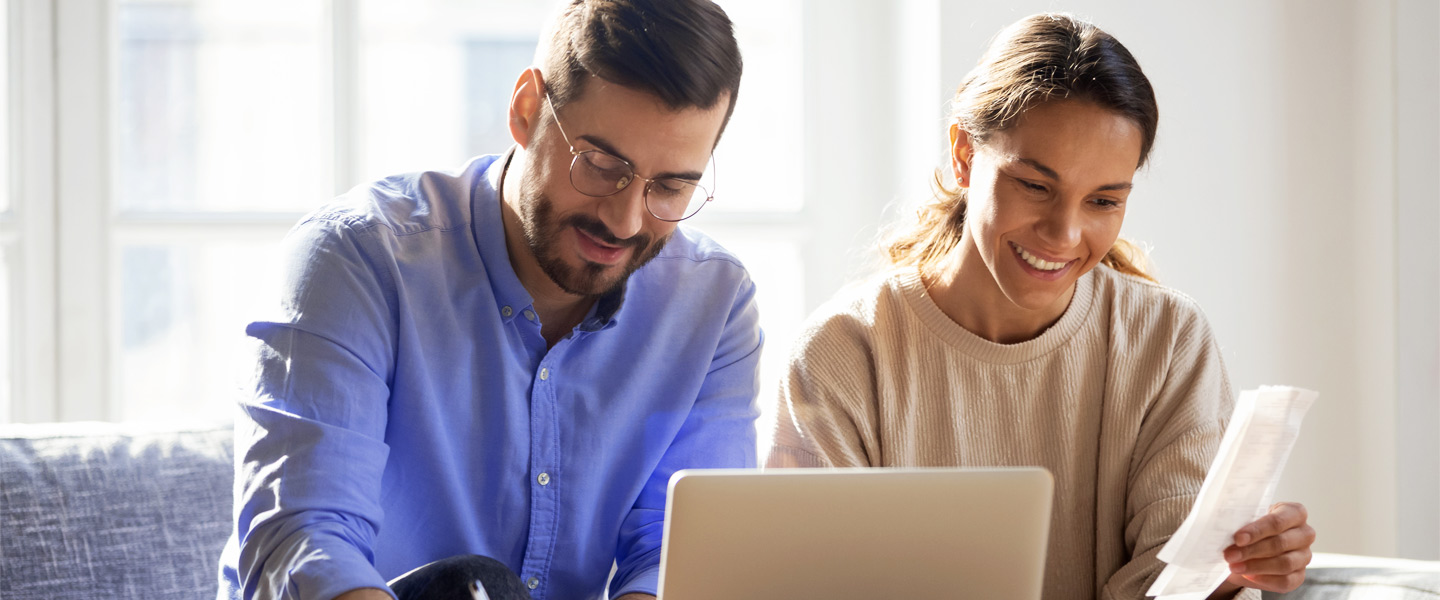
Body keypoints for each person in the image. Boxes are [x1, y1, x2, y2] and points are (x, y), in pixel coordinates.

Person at [216, 1, 761, 599]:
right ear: (527, 110)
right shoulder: (353, 260)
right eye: (603, 165)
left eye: (671, 185)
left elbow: (678, 555)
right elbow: (305, 540)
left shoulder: (714, 305)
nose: (626, 220)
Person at [766, 13, 1315, 600]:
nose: (1063, 234)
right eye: (1034, 185)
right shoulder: (844, 355)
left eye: (1103, 200)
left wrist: (1227, 575)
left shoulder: (1168, 340)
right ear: (962, 154)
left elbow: (1171, 583)